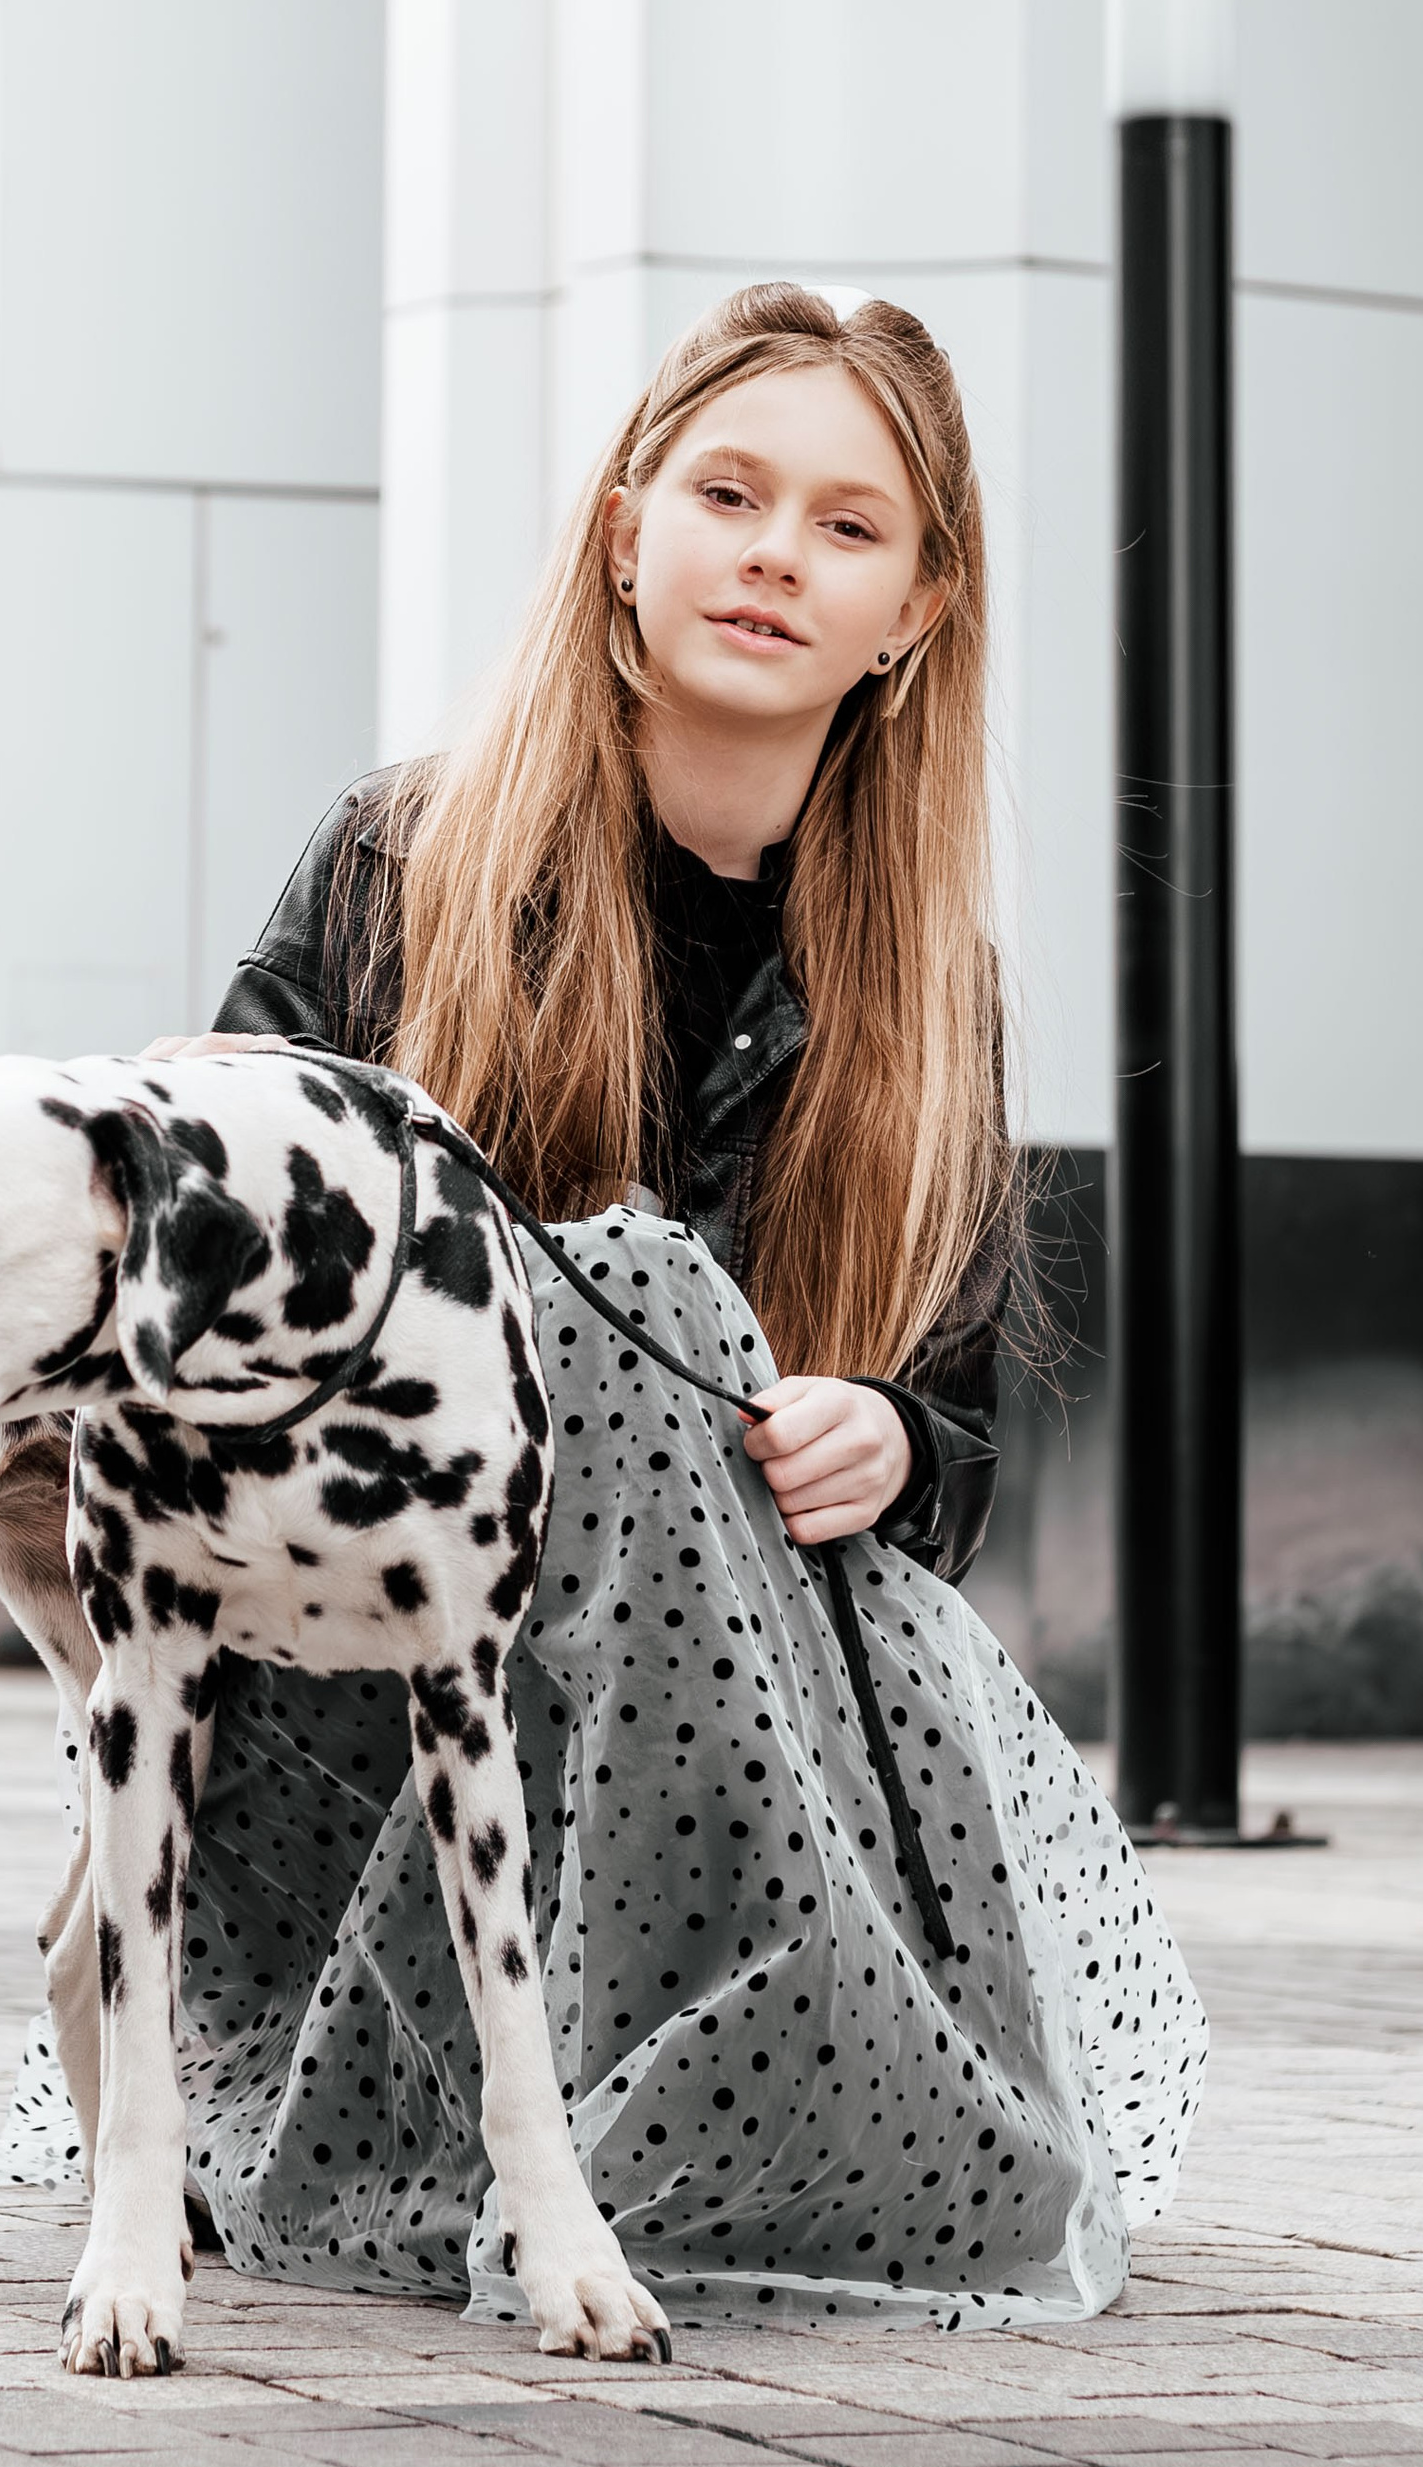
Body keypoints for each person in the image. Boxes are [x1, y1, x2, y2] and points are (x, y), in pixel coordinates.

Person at [152, 284, 1206, 2336]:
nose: (770, 554)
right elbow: (206, 1279)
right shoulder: (401, 859)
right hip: (367, 1687)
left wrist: (885, 1434)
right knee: (627, 1276)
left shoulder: (926, 992)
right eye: (726, 492)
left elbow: (952, 1444)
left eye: (842, 525)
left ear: (911, 609)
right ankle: (632, 2091)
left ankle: (758, 2081)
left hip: (733, 1687)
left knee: (757, 1424)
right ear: (624, 527)